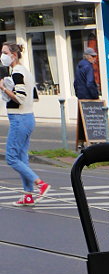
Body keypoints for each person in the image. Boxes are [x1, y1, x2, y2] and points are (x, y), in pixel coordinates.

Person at [0, 42, 50, 207]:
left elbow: (20, 97)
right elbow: (34, 96)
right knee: (22, 158)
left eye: (5, 52)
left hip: (19, 119)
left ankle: (40, 184)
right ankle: (28, 195)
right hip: (29, 117)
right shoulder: (26, 71)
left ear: (13, 55)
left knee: (11, 158)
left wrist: (5, 89)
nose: (3, 56)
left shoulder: (17, 73)